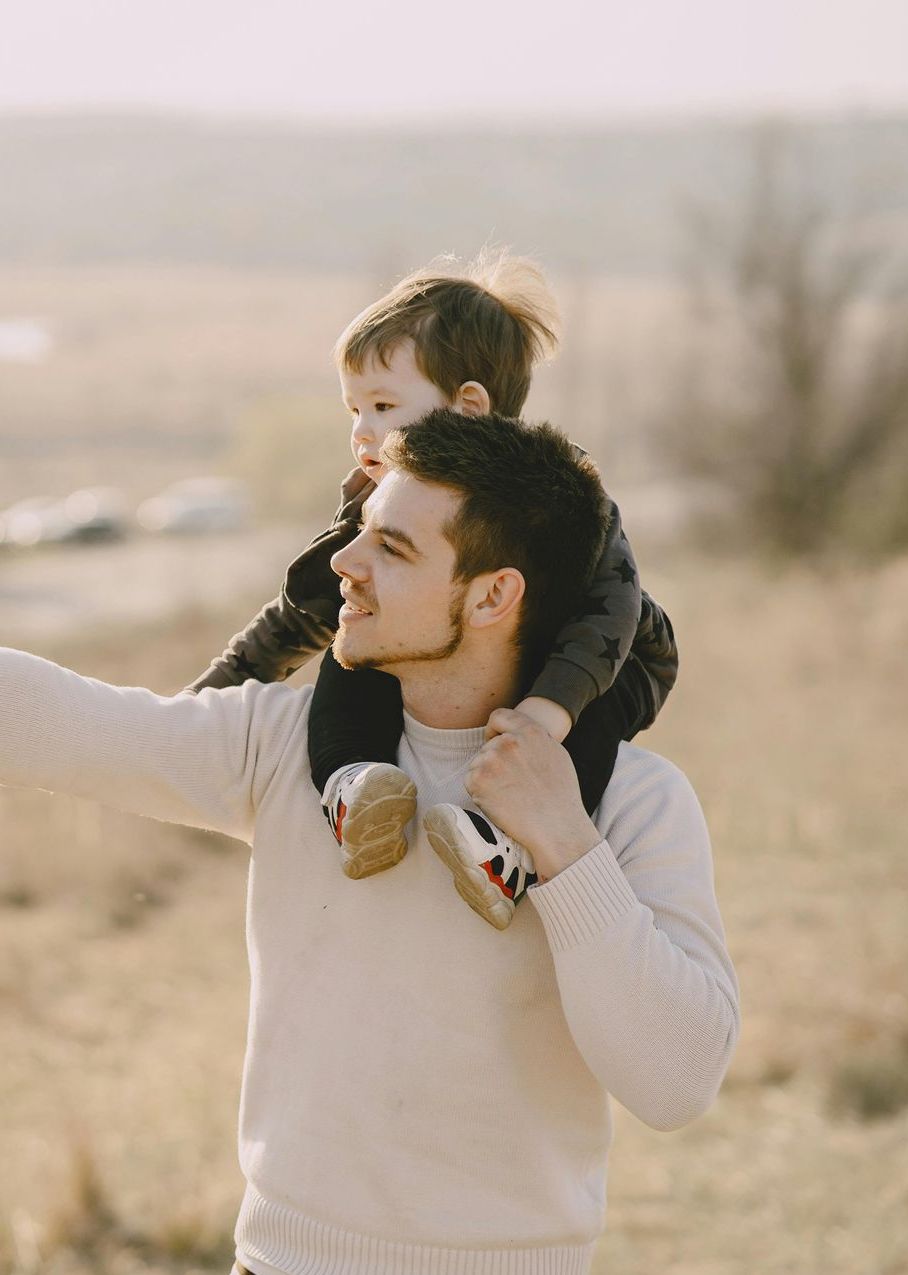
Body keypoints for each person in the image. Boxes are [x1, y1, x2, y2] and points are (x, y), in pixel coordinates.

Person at [0, 408, 739, 1275]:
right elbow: (60, 722)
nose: (344, 565)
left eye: (390, 549)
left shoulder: (632, 802)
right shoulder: (279, 743)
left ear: (494, 594)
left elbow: (677, 1083)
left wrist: (566, 850)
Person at [185, 252, 678, 928]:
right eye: (353, 408)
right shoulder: (379, 497)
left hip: (600, 660)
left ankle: (508, 850)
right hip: (467, 651)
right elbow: (314, 604)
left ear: (467, 407)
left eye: (383, 405)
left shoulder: (556, 491)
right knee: (356, 645)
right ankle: (356, 788)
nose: (361, 430)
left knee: (585, 726)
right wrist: (215, 690)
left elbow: (610, 611)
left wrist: (545, 713)